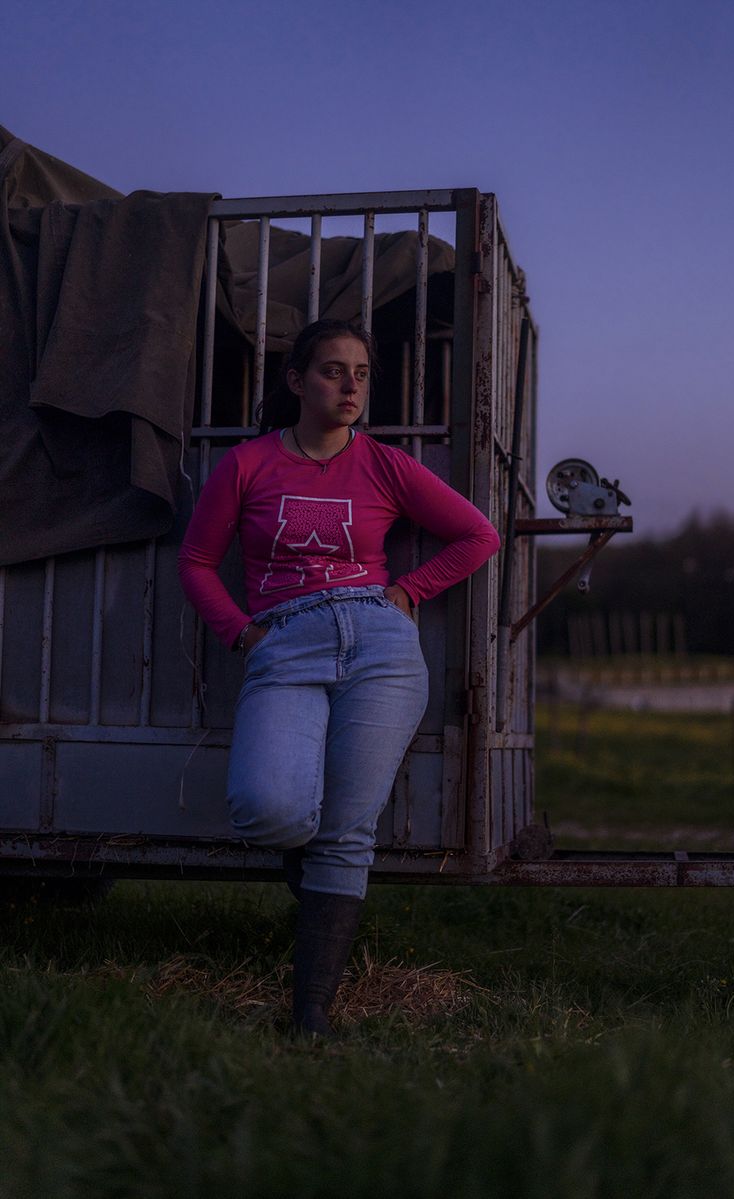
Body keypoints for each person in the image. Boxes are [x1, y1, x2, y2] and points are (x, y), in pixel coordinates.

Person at [178, 319, 500, 1037]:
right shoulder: (248, 465)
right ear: (296, 381)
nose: (349, 384)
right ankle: (314, 888)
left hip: (379, 645)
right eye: (331, 370)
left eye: (359, 371)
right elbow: (196, 562)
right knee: (271, 808)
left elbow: (480, 534)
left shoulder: (385, 464)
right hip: (285, 642)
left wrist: (410, 590)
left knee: (348, 834)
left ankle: (310, 1015)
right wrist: (244, 632)